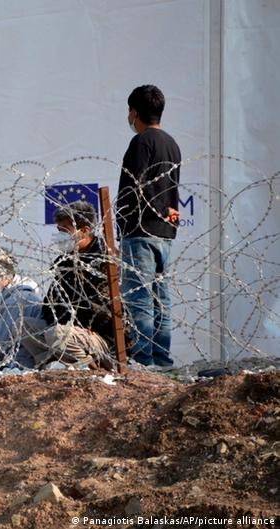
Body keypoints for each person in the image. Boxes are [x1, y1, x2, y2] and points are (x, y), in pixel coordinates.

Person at [117, 84, 181, 368]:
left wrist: (125, 221)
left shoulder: (142, 142)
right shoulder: (172, 144)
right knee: (160, 298)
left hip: (141, 229)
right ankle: (161, 358)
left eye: (130, 112)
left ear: (134, 112)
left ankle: (143, 359)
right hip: (164, 232)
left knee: (140, 297)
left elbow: (134, 186)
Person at [38, 201, 116, 370]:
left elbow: (101, 309)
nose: (60, 235)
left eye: (65, 230)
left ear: (85, 230)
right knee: (28, 326)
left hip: (101, 337)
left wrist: (66, 321)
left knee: (57, 333)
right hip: (72, 330)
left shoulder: (105, 260)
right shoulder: (64, 261)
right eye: (59, 230)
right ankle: (46, 366)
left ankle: (91, 369)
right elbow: (49, 304)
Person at [0, 244, 47, 372]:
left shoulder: (18, 300)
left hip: (14, 366)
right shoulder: (12, 297)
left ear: (6, 276)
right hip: (6, 363)